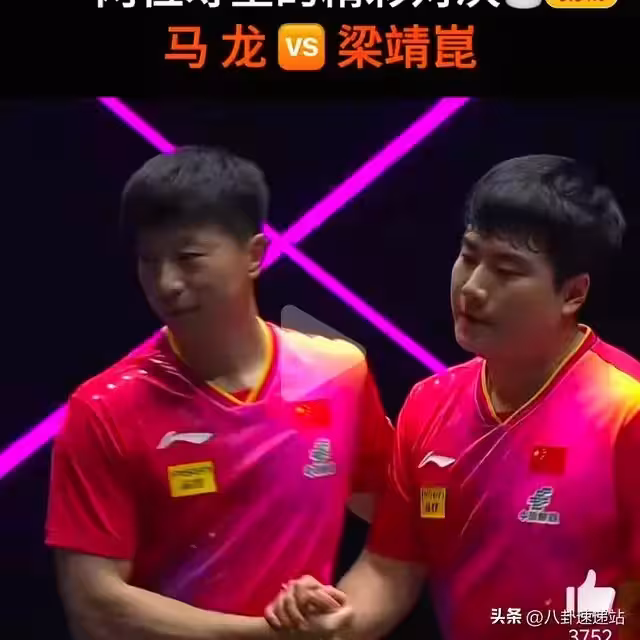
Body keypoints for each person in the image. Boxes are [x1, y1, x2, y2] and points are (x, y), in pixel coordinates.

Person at [266, 155, 640, 640]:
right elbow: (389, 569)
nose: (473, 287)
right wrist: (336, 619)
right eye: (469, 256)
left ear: (572, 293)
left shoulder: (626, 408)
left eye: (507, 271)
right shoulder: (429, 403)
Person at [45, 146, 393, 640]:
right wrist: (272, 636)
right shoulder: (104, 407)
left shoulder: (338, 372)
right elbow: (94, 607)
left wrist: (341, 611)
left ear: (254, 255)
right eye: (149, 261)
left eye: (188, 259)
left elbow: (401, 529)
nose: (166, 283)